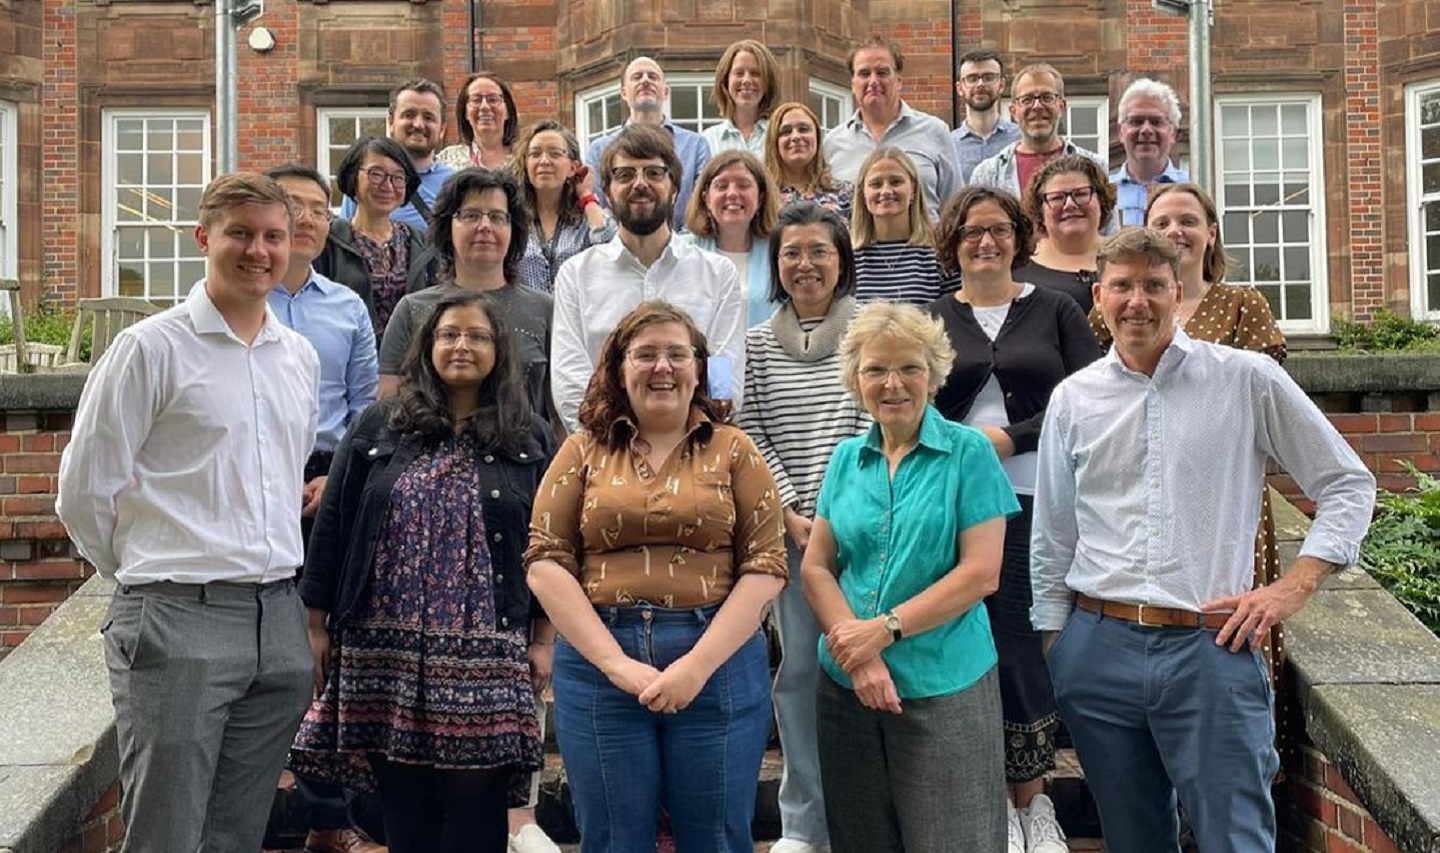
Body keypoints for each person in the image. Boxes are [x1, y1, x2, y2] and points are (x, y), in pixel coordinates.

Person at [1031, 228, 1376, 853]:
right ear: (1099, 296)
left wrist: (1289, 589)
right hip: (1097, 649)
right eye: (1123, 286)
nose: (1138, 300)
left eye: (1154, 285)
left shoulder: (1246, 380)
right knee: (1134, 840)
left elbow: (1348, 484)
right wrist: (1061, 646)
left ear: (1179, 291)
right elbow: (1055, 534)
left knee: (1235, 840)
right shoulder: (1073, 399)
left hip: (1210, 647)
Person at [56, 173, 319, 853]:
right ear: (205, 238)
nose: (258, 250)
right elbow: (84, 491)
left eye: (273, 236)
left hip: (277, 619)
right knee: (165, 835)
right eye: (241, 233)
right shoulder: (150, 349)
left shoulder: (299, 357)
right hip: (177, 616)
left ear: (292, 245)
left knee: (234, 834)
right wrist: (148, 574)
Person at [293, 290, 555, 853]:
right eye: (449, 334)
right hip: (381, 645)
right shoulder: (379, 424)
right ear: (428, 346)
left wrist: (544, 637)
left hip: (483, 647)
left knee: (477, 812)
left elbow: (547, 545)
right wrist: (316, 626)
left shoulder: (528, 435)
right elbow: (334, 525)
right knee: (403, 813)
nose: (462, 345)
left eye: (477, 336)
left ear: (499, 349)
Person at [526, 301, 787, 853]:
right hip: (600, 661)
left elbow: (765, 565)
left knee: (716, 838)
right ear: (620, 370)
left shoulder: (735, 450)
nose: (662, 367)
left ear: (699, 369)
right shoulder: (582, 450)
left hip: (716, 659)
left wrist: (696, 666)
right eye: (645, 355)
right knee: (614, 840)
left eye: (677, 354)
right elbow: (546, 559)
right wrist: (615, 663)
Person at [800, 300, 1018, 852]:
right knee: (862, 840)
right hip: (847, 686)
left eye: (909, 368)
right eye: (875, 369)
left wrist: (884, 630)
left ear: (934, 374)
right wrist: (860, 651)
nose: (892, 383)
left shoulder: (969, 453)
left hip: (943, 686)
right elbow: (817, 566)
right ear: (856, 379)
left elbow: (981, 573)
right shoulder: (846, 458)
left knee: (954, 840)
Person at [927, 186, 1100, 853]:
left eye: (998, 230)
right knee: (969, 642)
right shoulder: (935, 314)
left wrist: (1011, 438)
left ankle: (1036, 801)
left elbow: (1087, 399)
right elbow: (909, 399)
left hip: (1037, 496)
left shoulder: (1056, 309)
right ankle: (992, 800)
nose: (986, 242)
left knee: (1026, 643)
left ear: (1019, 238)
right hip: (955, 503)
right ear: (954, 241)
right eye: (971, 232)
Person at [736, 203, 868, 853]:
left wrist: (841, 515)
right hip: (791, 534)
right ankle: (802, 825)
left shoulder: (873, 331)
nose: (805, 263)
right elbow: (751, 431)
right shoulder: (756, 345)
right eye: (792, 252)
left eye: (819, 250)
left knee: (867, 664)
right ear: (776, 264)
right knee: (797, 677)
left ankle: (867, 820)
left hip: (867, 532)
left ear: (841, 260)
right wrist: (791, 511)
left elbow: (883, 420)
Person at [264, 164, 383, 853]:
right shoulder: (238, 297)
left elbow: (366, 406)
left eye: (318, 208)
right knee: (271, 648)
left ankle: (331, 815)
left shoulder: (345, 306)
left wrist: (336, 474)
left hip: (329, 480)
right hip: (256, 481)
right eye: (294, 206)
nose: (309, 218)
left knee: (328, 649)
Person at [552, 124, 745, 432]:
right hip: (606, 456)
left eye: (654, 173)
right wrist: (613, 449)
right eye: (625, 174)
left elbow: (723, 380)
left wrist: (692, 445)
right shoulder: (576, 276)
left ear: (675, 189)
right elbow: (570, 382)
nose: (639, 184)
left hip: (695, 453)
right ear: (606, 193)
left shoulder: (718, 275)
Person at [380, 169, 554, 426]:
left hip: (524, 459)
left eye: (497, 217)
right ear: (447, 227)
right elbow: (387, 405)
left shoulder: (544, 309)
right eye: (470, 215)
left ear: (513, 229)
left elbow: (557, 415)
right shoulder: (412, 309)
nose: (485, 227)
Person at [824, 36, 960, 218]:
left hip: (924, 245)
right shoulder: (832, 143)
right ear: (853, 84)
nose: (873, 81)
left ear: (899, 81)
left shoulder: (934, 132)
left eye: (882, 73)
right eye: (864, 74)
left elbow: (955, 208)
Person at [319, 135, 437, 338]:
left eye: (398, 177)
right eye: (376, 174)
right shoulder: (328, 241)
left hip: (409, 363)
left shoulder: (421, 244)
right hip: (349, 361)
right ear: (353, 177)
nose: (388, 186)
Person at [584, 56, 712, 231]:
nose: (645, 80)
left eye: (652, 76)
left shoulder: (696, 145)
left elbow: (703, 204)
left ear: (665, 92)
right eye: (637, 77)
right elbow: (598, 206)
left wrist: (681, 248)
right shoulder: (599, 149)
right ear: (623, 93)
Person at [969, 64, 1107, 208]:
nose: (1037, 106)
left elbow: (1111, 229)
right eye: (1027, 99)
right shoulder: (988, 175)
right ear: (1013, 111)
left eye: (1047, 98)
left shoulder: (1097, 168)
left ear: (1062, 106)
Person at [677, 150, 781, 327]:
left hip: (766, 354)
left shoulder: (779, 252)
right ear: (706, 199)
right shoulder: (682, 252)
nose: (732, 193)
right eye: (721, 186)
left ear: (761, 198)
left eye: (743, 185)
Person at [512, 119, 616, 294]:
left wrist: (586, 196)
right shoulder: (513, 219)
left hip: (577, 316)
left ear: (573, 167)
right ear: (525, 164)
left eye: (554, 154)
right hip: (524, 318)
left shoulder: (587, 219)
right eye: (535, 154)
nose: (544, 161)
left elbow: (609, 247)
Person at [340, 79, 456, 232]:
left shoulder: (455, 185)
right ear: (391, 122)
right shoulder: (365, 181)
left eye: (428, 117)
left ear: (442, 129)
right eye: (409, 115)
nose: (418, 124)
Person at [851, 147, 956, 305]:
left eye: (896, 182)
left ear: (913, 190)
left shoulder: (939, 254)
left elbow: (957, 317)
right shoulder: (847, 258)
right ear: (863, 194)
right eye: (876, 184)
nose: (886, 191)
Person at [1014, 154, 1116, 314]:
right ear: (1040, 210)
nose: (1069, 205)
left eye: (1081, 194)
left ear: (1101, 200)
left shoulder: (1129, 257)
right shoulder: (1017, 270)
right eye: (1057, 198)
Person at [1110, 78, 1189, 228]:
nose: (1146, 130)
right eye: (1136, 121)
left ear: (1173, 133)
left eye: (1156, 121)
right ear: (1121, 132)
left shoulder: (1192, 189)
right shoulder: (1103, 193)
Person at [762, 100, 854, 216]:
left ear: (817, 137)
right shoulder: (761, 196)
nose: (795, 136)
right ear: (774, 142)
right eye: (786, 131)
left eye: (804, 129)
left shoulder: (845, 193)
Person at [950, 49, 1021, 184]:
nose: (980, 84)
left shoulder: (1020, 139)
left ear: (1001, 85)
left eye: (989, 77)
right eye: (972, 78)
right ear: (959, 88)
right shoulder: (948, 145)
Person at [703, 40, 781, 155]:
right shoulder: (707, 141)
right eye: (739, 73)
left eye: (755, 74)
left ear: (768, 82)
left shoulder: (781, 136)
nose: (746, 80)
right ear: (725, 80)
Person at [438, 71, 520, 171]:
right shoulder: (447, 160)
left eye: (493, 99)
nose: (484, 106)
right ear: (465, 113)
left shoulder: (523, 158)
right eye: (476, 100)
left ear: (508, 111)